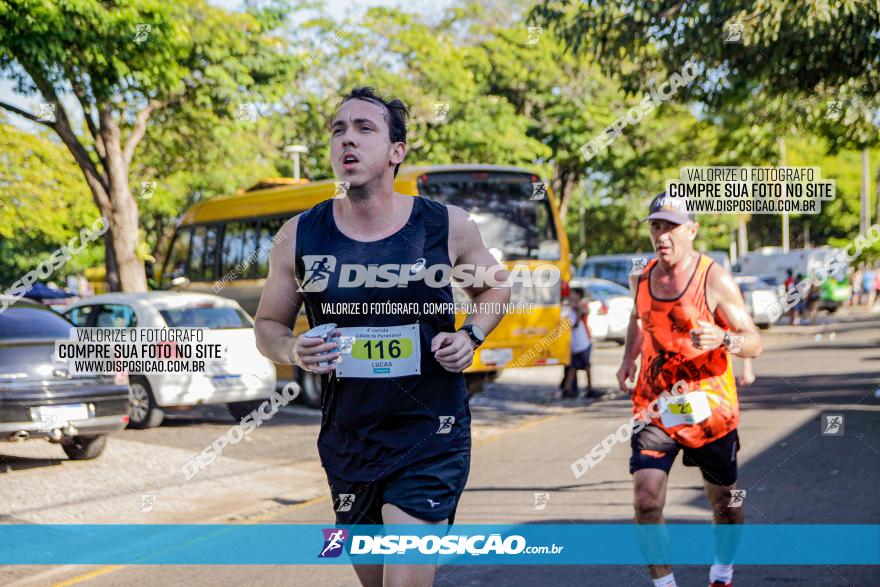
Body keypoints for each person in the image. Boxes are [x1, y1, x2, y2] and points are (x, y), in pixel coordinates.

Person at [253, 87, 510, 587]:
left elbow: (495, 288)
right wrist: (292, 350)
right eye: (338, 130)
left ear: (397, 151)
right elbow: (268, 326)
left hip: (430, 434)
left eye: (364, 128)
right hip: (350, 439)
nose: (347, 139)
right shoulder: (299, 235)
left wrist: (472, 335)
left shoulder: (446, 225)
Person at [616, 193, 763, 587]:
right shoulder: (641, 277)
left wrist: (722, 339)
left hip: (708, 407)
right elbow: (637, 316)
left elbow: (754, 342)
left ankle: (722, 572)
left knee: (725, 504)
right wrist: (629, 358)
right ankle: (665, 584)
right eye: (656, 226)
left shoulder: (713, 278)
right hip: (655, 405)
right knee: (646, 500)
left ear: (692, 231)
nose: (662, 235)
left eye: (671, 227)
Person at [560, 286, 595, 398]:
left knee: (584, 366)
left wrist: (578, 309)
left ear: (578, 296)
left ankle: (587, 389)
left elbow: (585, 312)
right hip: (575, 343)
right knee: (573, 367)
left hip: (582, 342)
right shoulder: (568, 307)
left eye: (573, 294)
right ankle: (568, 389)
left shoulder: (579, 306)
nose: (571, 295)